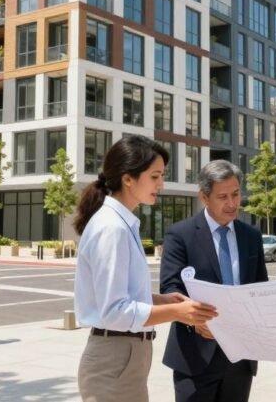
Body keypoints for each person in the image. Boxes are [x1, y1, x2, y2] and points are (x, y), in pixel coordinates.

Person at [74, 134, 218, 402]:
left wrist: (161, 300)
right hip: (115, 358)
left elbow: (118, 295)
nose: (161, 184)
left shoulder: (121, 223)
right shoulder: (112, 228)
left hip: (123, 357)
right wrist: (177, 312)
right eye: (155, 176)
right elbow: (114, 311)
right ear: (128, 178)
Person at [160, 160, 269, 402]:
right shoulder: (181, 235)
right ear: (204, 197)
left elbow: (260, 288)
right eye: (223, 197)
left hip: (240, 358)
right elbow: (170, 289)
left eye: (236, 194)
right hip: (195, 356)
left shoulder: (251, 236)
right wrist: (194, 321)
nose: (232, 204)